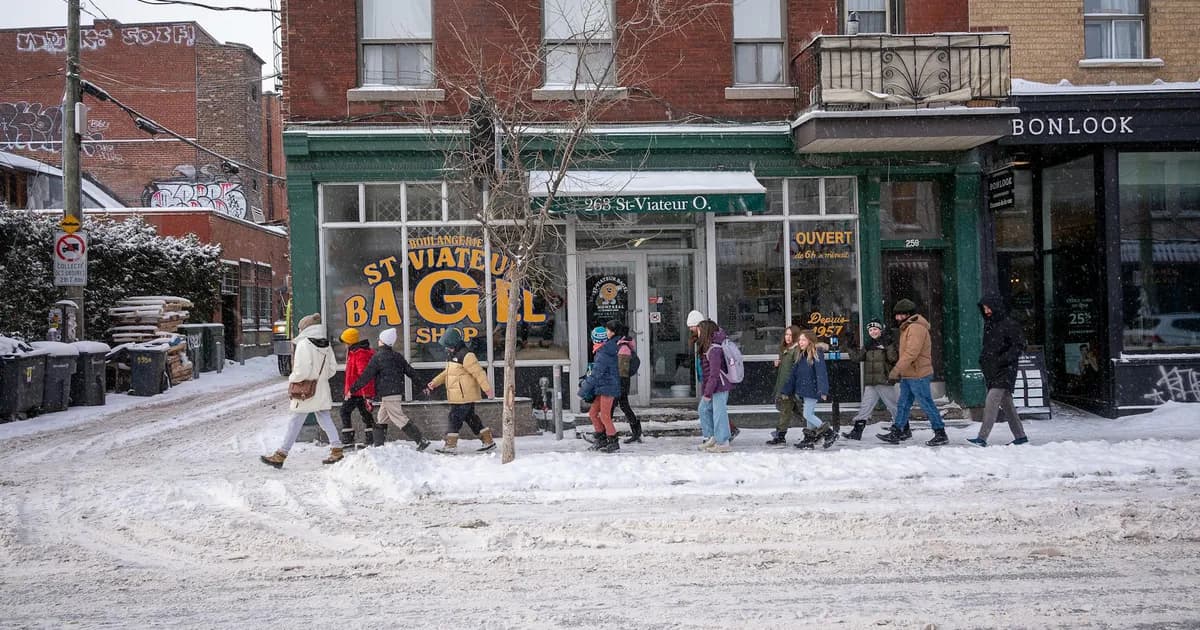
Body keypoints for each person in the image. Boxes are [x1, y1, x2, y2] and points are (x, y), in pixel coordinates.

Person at [260, 313, 343, 468]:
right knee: (324, 417)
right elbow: (332, 369)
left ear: (305, 329)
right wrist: (321, 378)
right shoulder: (325, 343)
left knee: (295, 421)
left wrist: (293, 378)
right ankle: (336, 449)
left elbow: (302, 371)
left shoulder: (304, 344)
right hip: (322, 387)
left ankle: (281, 454)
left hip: (307, 389)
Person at [878, 299, 949, 446]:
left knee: (926, 403)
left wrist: (896, 369)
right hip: (909, 373)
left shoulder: (915, 328)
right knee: (903, 404)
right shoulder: (908, 327)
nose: (896, 318)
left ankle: (940, 432)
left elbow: (912, 353)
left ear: (908, 314)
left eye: (899, 315)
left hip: (918, 374)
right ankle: (898, 431)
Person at [348, 327, 431, 451]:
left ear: (382, 342)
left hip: (388, 394)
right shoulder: (397, 356)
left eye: (380, 339)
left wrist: (353, 389)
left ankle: (421, 440)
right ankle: (378, 446)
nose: (378, 341)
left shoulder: (378, 357)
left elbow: (366, 376)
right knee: (382, 418)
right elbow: (410, 372)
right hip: (394, 391)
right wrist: (422, 385)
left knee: (398, 417)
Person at [968, 295, 1030, 447]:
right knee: (1007, 405)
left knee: (991, 401)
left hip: (1005, 370)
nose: (986, 311)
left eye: (988, 307)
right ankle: (1021, 437)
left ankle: (982, 438)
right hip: (994, 370)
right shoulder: (989, 324)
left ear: (995, 307)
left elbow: (1019, 345)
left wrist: (1002, 360)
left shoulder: (1009, 324)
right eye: (984, 308)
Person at [424, 328, 496, 454]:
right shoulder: (452, 355)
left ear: (454, 343)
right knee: (471, 419)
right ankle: (488, 441)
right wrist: (434, 383)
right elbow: (448, 373)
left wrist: (487, 389)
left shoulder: (467, 355)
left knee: (454, 418)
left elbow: (479, 373)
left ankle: (450, 445)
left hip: (464, 395)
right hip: (458, 395)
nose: (447, 349)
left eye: (449, 346)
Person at [686, 310, 739, 443]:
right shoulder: (707, 342)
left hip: (718, 384)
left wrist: (708, 390)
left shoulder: (713, 347)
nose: (692, 330)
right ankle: (713, 437)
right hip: (713, 382)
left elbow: (714, 372)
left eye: (693, 327)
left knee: (716, 411)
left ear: (701, 327)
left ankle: (720, 439)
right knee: (709, 409)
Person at [843, 319, 899, 440]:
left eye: (875, 329)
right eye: (870, 330)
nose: (873, 332)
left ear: (880, 330)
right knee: (865, 406)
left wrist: (888, 345)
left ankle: (903, 428)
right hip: (871, 382)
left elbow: (893, 358)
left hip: (884, 380)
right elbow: (857, 358)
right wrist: (850, 345)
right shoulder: (869, 345)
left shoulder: (887, 341)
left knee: (893, 406)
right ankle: (857, 431)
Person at [781, 330, 833, 449]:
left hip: (813, 390)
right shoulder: (801, 355)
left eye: (803, 340)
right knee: (809, 414)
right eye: (799, 340)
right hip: (805, 389)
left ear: (810, 340)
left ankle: (830, 433)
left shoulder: (816, 353)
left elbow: (821, 373)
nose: (801, 342)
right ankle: (809, 439)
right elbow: (793, 375)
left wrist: (823, 390)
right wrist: (786, 390)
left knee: (807, 414)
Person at [579, 323, 622, 453]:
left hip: (608, 387)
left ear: (595, 340)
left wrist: (584, 389)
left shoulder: (604, 353)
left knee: (604, 416)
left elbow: (596, 374)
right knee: (593, 413)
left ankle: (613, 441)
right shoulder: (602, 350)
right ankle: (601, 438)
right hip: (602, 387)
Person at [696, 319, 734, 453]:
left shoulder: (714, 350)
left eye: (699, 330)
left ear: (705, 331)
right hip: (714, 386)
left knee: (719, 413)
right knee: (703, 409)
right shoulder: (709, 347)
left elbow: (714, 374)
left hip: (720, 386)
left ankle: (723, 441)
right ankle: (712, 437)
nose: (697, 333)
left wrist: (707, 393)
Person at [338, 327, 378, 449]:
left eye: (345, 342)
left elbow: (364, 374)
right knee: (365, 414)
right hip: (357, 391)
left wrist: (366, 394)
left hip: (357, 392)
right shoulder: (355, 352)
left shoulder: (359, 353)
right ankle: (371, 438)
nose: (344, 345)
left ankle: (349, 438)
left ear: (349, 342)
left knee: (345, 411)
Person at [766, 325, 803, 446]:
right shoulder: (785, 349)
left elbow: (796, 368)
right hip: (783, 384)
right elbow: (786, 368)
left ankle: (780, 435)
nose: (788, 337)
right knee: (794, 411)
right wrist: (779, 363)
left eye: (790, 335)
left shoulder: (796, 350)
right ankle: (816, 430)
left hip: (789, 386)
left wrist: (791, 386)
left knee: (786, 411)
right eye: (786, 334)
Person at [611, 321, 642, 443]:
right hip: (621, 382)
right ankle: (636, 431)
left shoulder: (623, 348)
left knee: (612, 408)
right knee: (623, 406)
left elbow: (622, 371)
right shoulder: (622, 345)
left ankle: (606, 434)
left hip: (620, 382)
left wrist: (616, 384)